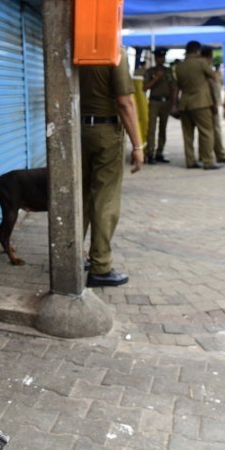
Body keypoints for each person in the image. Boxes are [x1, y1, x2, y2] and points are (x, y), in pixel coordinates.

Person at [80, 48, 143, 287]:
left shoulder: (77, 48)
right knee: (105, 199)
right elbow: (125, 102)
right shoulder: (114, 52)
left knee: (82, 198)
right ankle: (100, 266)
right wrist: (138, 145)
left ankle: (75, 255)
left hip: (79, 130)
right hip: (106, 132)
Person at [174, 41, 220, 170]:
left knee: (188, 135)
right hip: (201, 103)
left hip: (184, 104)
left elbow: (176, 87)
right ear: (197, 51)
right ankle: (208, 161)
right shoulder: (201, 63)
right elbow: (213, 77)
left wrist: (175, 104)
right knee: (206, 132)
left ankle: (190, 160)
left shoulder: (179, 66)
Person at [142, 48, 176, 164]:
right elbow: (144, 88)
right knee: (151, 129)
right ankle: (150, 153)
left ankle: (159, 153)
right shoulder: (150, 72)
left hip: (166, 102)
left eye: (162, 57)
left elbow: (173, 88)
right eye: (159, 57)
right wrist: (156, 79)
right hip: (154, 102)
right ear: (156, 58)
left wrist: (173, 103)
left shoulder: (169, 71)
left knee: (163, 129)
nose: (161, 59)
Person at [200, 45, 225, 164]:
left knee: (209, 131)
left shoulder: (206, 69)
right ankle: (217, 155)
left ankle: (210, 154)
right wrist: (214, 104)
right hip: (209, 103)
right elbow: (210, 89)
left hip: (209, 103)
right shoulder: (205, 70)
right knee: (213, 130)